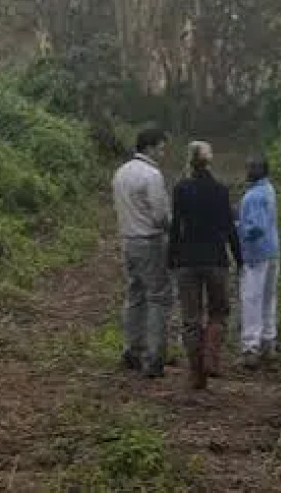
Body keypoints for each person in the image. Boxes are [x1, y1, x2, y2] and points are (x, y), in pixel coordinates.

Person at [168, 140, 242, 390]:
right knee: (219, 311)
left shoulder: (181, 189)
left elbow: (175, 227)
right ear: (209, 161)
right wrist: (238, 257)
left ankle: (195, 373)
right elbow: (229, 227)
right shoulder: (220, 190)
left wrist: (172, 257)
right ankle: (211, 355)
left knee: (190, 318)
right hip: (215, 259)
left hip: (188, 260)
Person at [112, 127, 172, 378]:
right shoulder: (152, 175)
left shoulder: (121, 173)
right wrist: (173, 227)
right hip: (149, 241)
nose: (163, 152)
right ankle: (155, 356)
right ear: (149, 148)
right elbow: (160, 215)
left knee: (134, 294)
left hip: (128, 239)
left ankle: (131, 348)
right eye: (161, 147)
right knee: (158, 297)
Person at [238, 156, 281, 367]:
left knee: (252, 299)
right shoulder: (269, 189)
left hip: (256, 254)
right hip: (272, 250)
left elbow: (256, 227)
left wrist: (239, 227)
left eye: (251, 167)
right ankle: (268, 341)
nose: (247, 170)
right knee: (268, 298)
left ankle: (250, 347)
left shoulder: (253, 196)